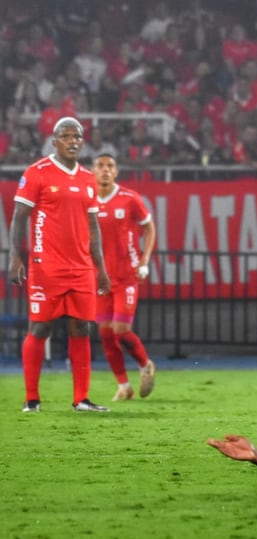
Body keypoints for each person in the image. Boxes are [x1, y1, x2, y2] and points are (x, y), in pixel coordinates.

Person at [7, 117, 111, 413]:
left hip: (81, 268)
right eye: (66, 136)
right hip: (46, 266)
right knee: (40, 328)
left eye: (77, 136)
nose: (73, 141)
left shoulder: (88, 178)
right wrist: (15, 256)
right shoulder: (37, 173)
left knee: (81, 328)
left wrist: (100, 268)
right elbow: (19, 216)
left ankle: (81, 399)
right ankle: (31, 399)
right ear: (55, 141)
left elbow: (93, 227)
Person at [92, 153, 157, 401]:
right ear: (93, 171)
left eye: (110, 166)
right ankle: (124, 386)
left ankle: (145, 365)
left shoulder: (130, 198)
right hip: (101, 278)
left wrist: (144, 261)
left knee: (120, 329)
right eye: (100, 166)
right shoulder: (87, 200)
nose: (105, 170)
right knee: (106, 334)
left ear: (116, 171)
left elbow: (149, 227)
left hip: (127, 275)